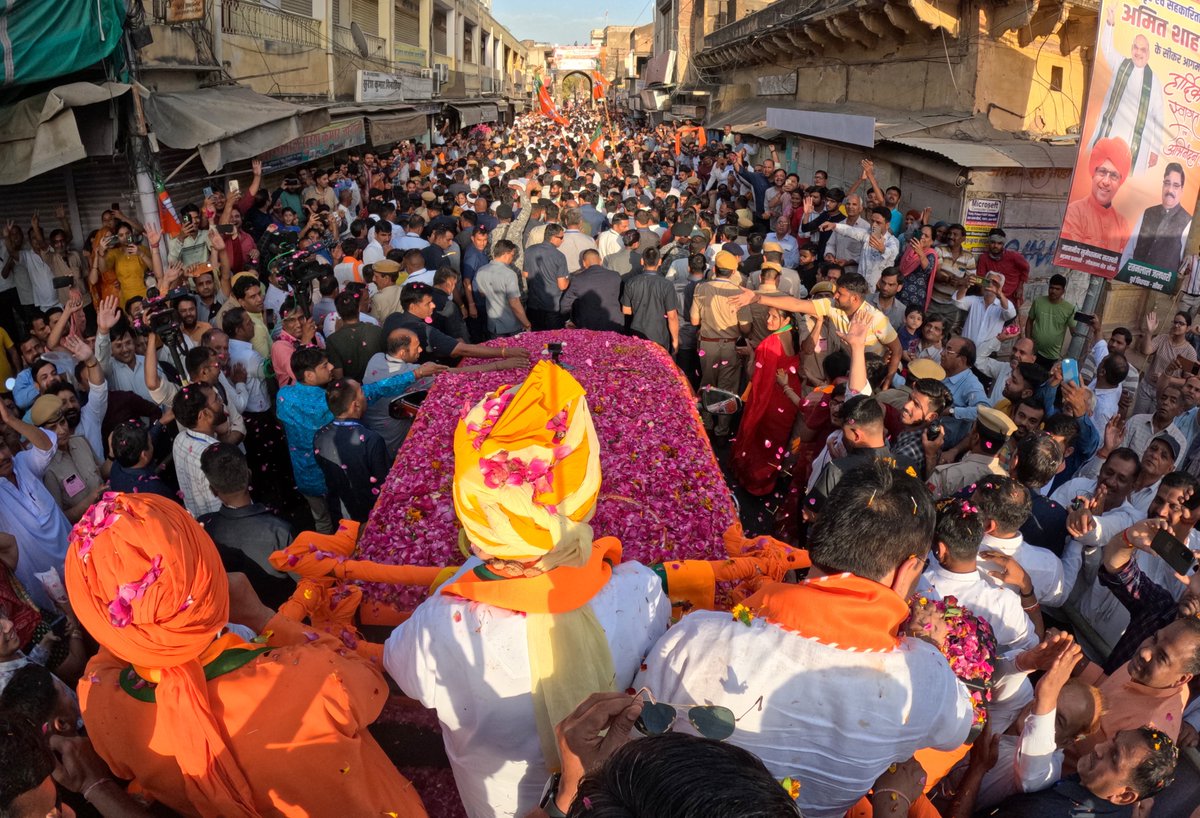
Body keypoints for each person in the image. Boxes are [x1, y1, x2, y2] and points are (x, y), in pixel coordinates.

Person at [385, 362, 670, 818]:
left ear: (471, 501)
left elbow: (400, 672)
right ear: (584, 483)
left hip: (494, 804)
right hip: (607, 800)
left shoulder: (440, 625)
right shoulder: (640, 592)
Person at [636, 463, 974, 818]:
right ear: (909, 570)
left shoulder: (697, 637)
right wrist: (928, 652)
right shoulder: (923, 678)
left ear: (818, 534)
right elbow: (959, 731)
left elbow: (638, 736)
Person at [64, 492, 429, 817]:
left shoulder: (100, 705)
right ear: (210, 574)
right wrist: (260, 615)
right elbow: (371, 683)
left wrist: (144, 627)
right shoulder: (314, 677)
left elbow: (110, 645)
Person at [278, 347, 443, 533]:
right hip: (334, 478)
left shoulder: (283, 395)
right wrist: (416, 373)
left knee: (322, 522)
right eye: (324, 366)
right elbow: (375, 389)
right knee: (346, 522)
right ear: (309, 375)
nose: (331, 367)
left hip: (304, 475)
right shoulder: (327, 402)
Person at [196, 442, 297, 609]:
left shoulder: (205, 527)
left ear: (213, 490)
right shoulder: (278, 530)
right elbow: (303, 580)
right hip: (282, 615)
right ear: (249, 475)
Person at [731, 306, 801, 495]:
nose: (768, 320)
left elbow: (754, 375)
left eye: (773, 316)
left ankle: (755, 483)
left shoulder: (770, 343)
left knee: (759, 443)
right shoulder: (794, 336)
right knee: (775, 444)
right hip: (788, 400)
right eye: (768, 315)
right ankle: (767, 481)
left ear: (786, 320)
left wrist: (751, 355)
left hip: (770, 402)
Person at [313, 378, 390, 524]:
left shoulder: (319, 435)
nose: (365, 395)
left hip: (340, 513)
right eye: (361, 392)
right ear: (356, 404)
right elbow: (383, 484)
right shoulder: (371, 439)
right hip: (368, 514)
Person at [1061, 137, 1134, 255]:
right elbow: (1069, 256)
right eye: (1102, 172)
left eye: (1114, 175)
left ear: (1120, 183)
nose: (1106, 181)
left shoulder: (1122, 225)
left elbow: (1126, 261)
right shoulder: (1074, 212)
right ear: (1093, 174)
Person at [926, 405, 1016, 498]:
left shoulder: (946, 475)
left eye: (971, 430)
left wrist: (930, 457)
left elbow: (924, 503)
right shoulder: (1007, 482)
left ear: (975, 437)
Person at [1125, 162, 1190, 272]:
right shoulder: (1147, 213)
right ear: (1162, 185)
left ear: (1182, 190)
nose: (1170, 190)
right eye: (1167, 183)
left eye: (1176, 186)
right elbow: (1128, 251)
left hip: (1160, 286)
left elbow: (1183, 267)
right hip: (1132, 281)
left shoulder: (1187, 222)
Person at [1134, 310, 1197, 415]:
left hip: (1166, 394)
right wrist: (1149, 332)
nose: (1177, 325)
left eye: (1181, 324)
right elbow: (1145, 351)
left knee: (1153, 422)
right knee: (1137, 417)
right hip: (1147, 387)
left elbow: (1189, 380)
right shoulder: (1162, 338)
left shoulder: (1190, 352)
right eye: (1175, 322)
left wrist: (1166, 378)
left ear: (1188, 328)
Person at [620, 246, 678, 351]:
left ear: (642, 261)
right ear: (660, 261)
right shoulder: (666, 284)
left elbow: (626, 310)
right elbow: (672, 316)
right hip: (659, 334)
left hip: (636, 332)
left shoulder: (630, 282)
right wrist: (675, 341)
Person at [474, 239, 531, 336]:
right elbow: (515, 303)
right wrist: (526, 323)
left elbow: (482, 293)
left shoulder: (481, 271)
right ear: (506, 254)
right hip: (511, 326)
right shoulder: (509, 274)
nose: (512, 258)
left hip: (493, 325)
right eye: (512, 255)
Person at [326, 290, 383, 380]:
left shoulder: (332, 340)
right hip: (379, 384)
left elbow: (338, 376)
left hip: (354, 390)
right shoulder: (376, 330)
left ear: (338, 312)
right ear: (359, 308)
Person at [1026, 273, 1076, 368]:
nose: (1053, 291)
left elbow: (1074, 331)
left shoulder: (1069, 308)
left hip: (1052, 355)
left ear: (1063, 291)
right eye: (1051, 288)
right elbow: (1029, 321)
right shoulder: (1038, 302)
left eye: (1057, 289)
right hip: (1034, 351)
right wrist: (1028, 340)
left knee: (1045, 379)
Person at [976, 228, 1030, 308]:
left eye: (999, 243)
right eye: (993, 242)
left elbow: (1026, 268)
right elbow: (980, 278)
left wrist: (1020, 287)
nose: (995, 246)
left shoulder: (1013, 256)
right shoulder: (983, 258)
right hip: (992, 297)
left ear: (1003, 244)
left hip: (1011, 296)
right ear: (988, 242)